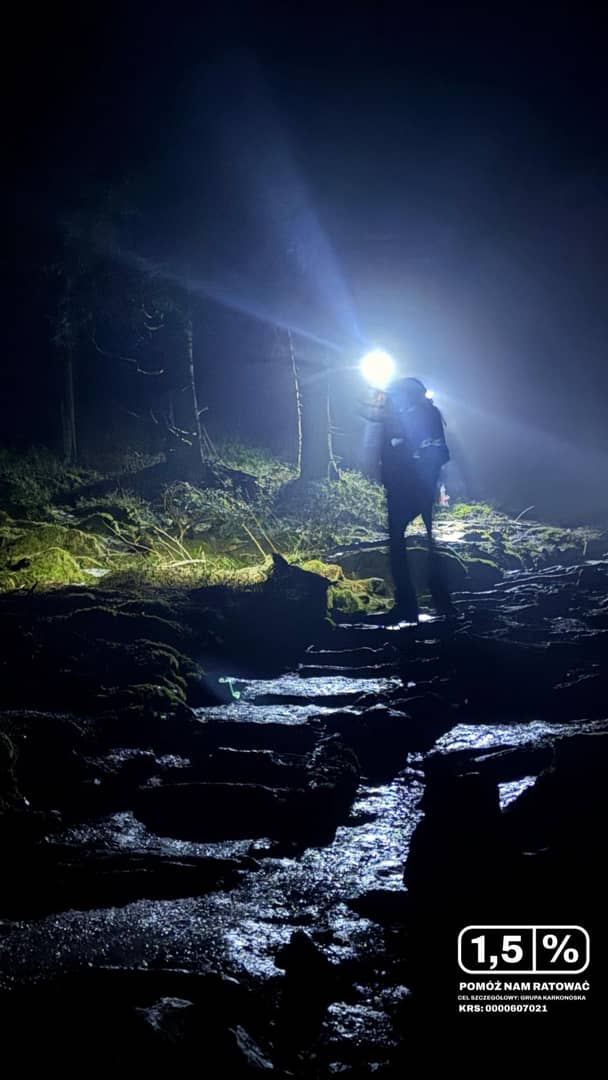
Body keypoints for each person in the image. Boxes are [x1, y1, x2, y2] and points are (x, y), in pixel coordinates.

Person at [378, 377, 453, 623]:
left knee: (401, 542)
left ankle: (412, 603)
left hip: (411, 489)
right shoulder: (413, 415)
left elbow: (436, 452)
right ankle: (438, 600)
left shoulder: (421, 416)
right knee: (424, 542)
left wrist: (411, 461)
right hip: (411, 488)